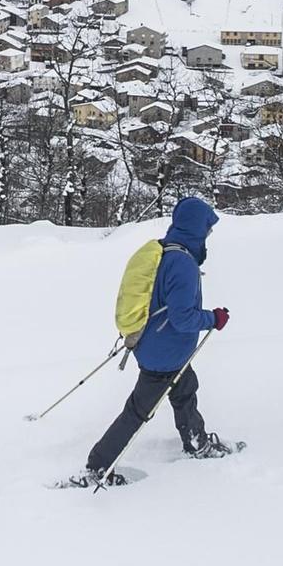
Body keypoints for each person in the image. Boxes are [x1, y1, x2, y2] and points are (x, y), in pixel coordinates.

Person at [81, 196, 234, 484]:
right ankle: (97, 466)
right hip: (165, 353)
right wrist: (213, 318)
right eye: (208, 227)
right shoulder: (183, 264)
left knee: (185, 388)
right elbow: (182, 318)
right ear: (196, 228)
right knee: (139, 410)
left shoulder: (168, 251)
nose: (210, 233)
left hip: (162, 348)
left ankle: (196, 441)